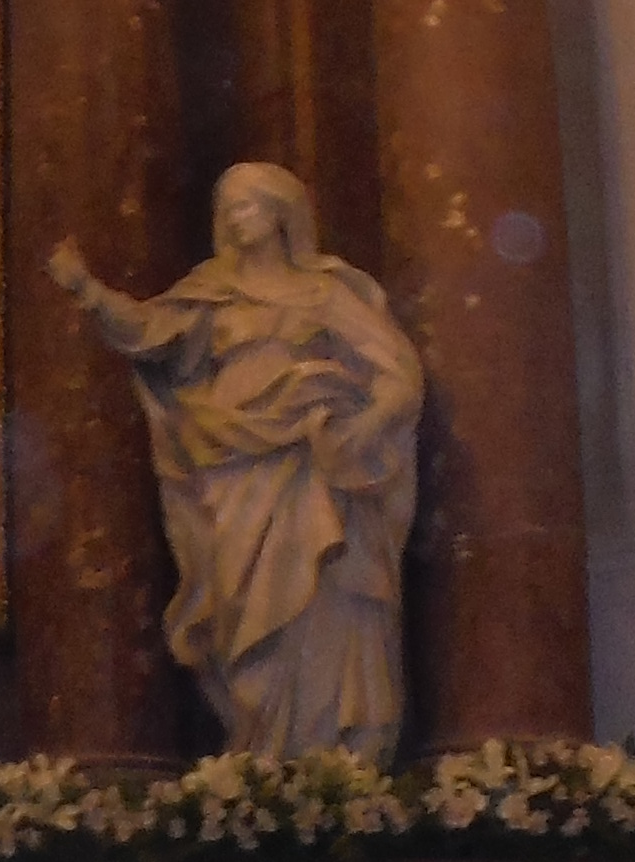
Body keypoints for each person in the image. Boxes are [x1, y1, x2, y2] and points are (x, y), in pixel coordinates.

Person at [50, 162, 428, 760]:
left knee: (320, 597)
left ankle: (325, 754)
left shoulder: (325, 294)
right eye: (226, 208)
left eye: (246, 205)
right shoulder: (212, 293)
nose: (233, 218)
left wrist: (367, 423)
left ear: (280, 214)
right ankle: (262, 750)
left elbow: (399, 373)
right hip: (229, 466)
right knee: (241, 607)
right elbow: (150, 331)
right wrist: (89, 292)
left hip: (307, 466)